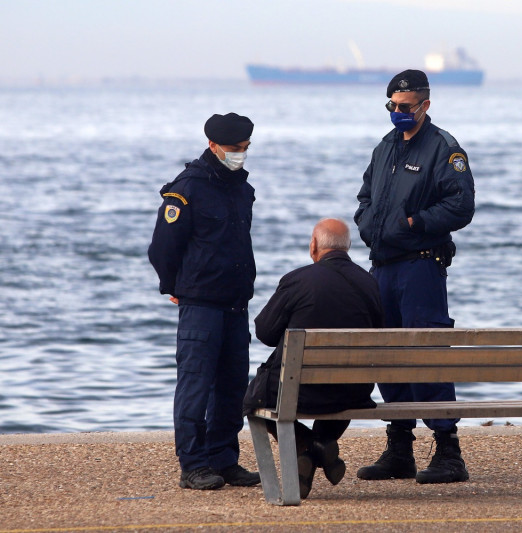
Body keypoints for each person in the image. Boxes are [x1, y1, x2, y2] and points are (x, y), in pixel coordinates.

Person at [353, 70, 475, 484]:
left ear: (425, 105)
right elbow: (365, 197)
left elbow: (461, 205)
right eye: (392, 105)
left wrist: (413, 222)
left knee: (428, 353)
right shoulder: (385, 147)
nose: (398, 112)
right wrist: (368, 224)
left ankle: (448, 451)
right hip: (382, 266)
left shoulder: (444, 148)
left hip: (421, 266)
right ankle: (399, 447)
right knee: (386, 355)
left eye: (406, 106)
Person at [148, 112, 261, 490]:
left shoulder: (242, 189)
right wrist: (174, 286)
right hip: (201, 305)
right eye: (234, 148)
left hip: (236, 304)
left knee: (232, 388)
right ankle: (193, 464)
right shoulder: (187, 189)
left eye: (245, 147)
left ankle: (224, 459)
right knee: (195, 387)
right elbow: (162, 248)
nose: (240, 154)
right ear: (212, 145)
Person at [243, 218, 383, 499]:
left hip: (301, 392)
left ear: (314, 245)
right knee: (339, 388)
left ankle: (309, 445)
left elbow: (265, 333)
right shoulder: (370, 283)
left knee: (251, 398)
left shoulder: (297, 280)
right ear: (347, 246)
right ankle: (321, 444)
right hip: (355, 391)